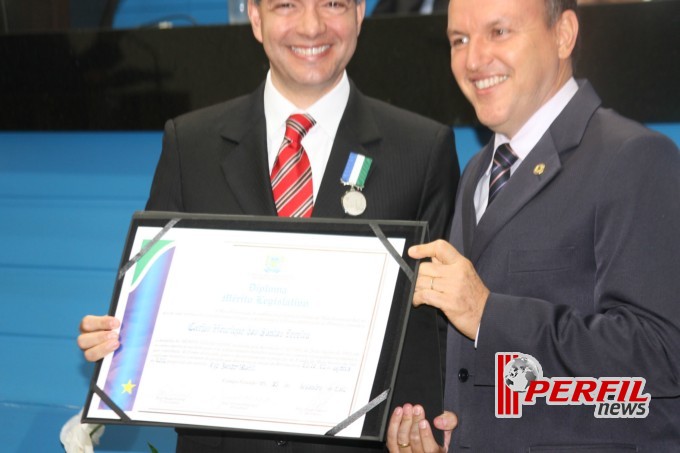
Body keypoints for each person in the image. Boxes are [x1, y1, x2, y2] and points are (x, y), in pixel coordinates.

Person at [78, 0, 460, 451]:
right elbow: (153, 299)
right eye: (287, 6)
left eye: (334, 4)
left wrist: (431, 426)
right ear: (255, 18)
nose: (312, 26)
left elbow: (437, 327)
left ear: (360, 14)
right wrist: (118, 343)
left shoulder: (421, 149)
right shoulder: (191, 143)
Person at [386, 0, 680, 451]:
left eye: (499, 32)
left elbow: (661, 357)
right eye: (459, 40)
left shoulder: (635, 158)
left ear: (563, 34)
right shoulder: (478, 172)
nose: (474, 59)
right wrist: (448, 432)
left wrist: (489, 313)